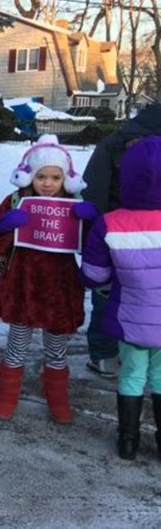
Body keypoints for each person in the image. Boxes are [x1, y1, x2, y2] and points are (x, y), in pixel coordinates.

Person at [0, 134, 92, 424]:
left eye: (55, 177)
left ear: (65, 179)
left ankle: (58, 399)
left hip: (59, 288)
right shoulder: (16, 201)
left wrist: (91, 221)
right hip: (23, 287)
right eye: (41, 176)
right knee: (16, 345)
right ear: (30, 175)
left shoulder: (73, 203)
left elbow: (92, 245)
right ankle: (7, 397)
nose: (48, 183)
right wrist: (5, 226)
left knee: (57, 348)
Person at [81, 136, 161, 461]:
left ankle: (128, 440)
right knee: (160, 377)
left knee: (131, 375)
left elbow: (94, 275)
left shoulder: (110, 223)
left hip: (130, 321)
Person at [82, 103, 161, 377]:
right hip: (154, 232)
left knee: (106, 291)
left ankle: (104, 354)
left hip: (115, 228)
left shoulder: (114, 142)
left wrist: (95, 233)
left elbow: (94, 188)